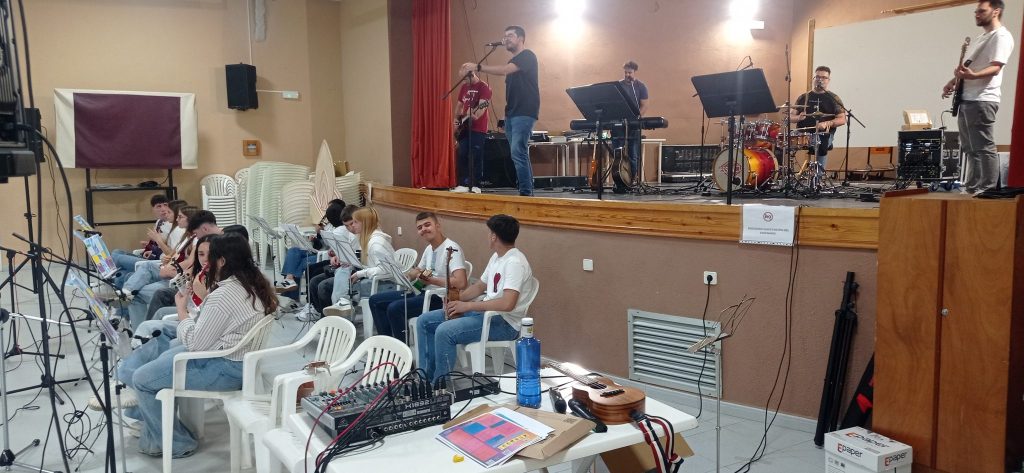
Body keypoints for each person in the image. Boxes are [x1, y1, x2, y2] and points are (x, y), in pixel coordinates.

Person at [126, 234, 277, 458]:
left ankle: (175, 442)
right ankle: (153, 428)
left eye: (211, 257)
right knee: (164, 355)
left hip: (224, 368)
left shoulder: (224, 294)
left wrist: (182, 310)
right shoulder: (255, 283)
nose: (206, 263)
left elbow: (196, 344)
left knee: (141, 379)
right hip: (235, 361)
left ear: (222, 261)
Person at [416, 214, 537, 382]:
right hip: (485, 314)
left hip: (505, 323)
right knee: (424, 321)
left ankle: (439, 386)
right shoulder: (497, 257)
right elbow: (480, 286)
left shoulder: (514, 262)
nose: (488, 236)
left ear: (494, 236)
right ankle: (425, 378)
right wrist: (458, 300)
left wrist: (468, 306)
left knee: (445, 331)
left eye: (489, 233)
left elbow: (507, 304)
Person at [942, 0, 1014, 194]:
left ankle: (987, 188)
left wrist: (972, 76)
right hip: (968, 98)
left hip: (982, 99)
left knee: (983, 146)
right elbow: (970, 67)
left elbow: (996, 67)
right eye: (976, 11)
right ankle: (973, 187)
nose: (977, 14)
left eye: (982, 11)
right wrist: (954, 81)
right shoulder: (982, 37)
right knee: (969, 148)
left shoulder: (1001, 36)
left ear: (996, 11)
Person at [461, 25, 539, 196]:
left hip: (525, 112)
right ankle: (525, 191)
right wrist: (505, 116)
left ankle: (526, 194)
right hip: (512, 114)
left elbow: (505, 70)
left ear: (521, 38)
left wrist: (478, 67)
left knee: (518, 152)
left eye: (510, 35)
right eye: (505, 36)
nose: (506, 39)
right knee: (517, 154)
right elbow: (513, 92)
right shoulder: (514, 62)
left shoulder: (527, 56)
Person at [368, 212, 468, 343]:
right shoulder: (429, 249)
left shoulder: (451, 248)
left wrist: (431, 280)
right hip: (421, 291)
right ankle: (387, 344)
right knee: (375, 301)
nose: (423, 229)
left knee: (395, 308)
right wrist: (407, 275)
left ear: (438, 226)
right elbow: (420, 269)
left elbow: (461, 282)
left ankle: (402, 350)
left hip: (439, 298)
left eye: (427, 225)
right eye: (420, 227)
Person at [322, 207, 397, 318]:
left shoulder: (376, 243)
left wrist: (359, 273)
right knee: (344, 269)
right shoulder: (365, 238)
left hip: (387, 284)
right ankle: (342, 305)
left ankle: (343, 306)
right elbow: (368, 263)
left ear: (365, 223)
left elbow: (386, 270)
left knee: (344, 280)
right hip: (375, 280)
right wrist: (351, 262)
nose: (352, 226)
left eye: (355, 222)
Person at [791, 66, 847, 182]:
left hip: (823, 135)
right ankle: (784, 176)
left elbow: (842, 119)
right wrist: (798, 118)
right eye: (817, 77)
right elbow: (790, 117)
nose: (820, 80)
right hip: (802, 135)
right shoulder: (804, 97)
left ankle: (817, 179)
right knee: (782, 141)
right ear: (814, 78)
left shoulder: (833, 98)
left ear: (828, 80)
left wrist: (828, 123)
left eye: (823, 77)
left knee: (820, 140)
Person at [611, 60, 649, 189]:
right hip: (619, 124)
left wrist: (637, 117)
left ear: (635, 72)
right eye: (626, 72)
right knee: (618, 153)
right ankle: (619, 180)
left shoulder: (640, 86)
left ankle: (631, 180)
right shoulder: (618, 85)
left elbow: (644, 105)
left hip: (633, 125)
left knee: (633, 154)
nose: (627, 75)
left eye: (630, 72)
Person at [453, 71, 492, 194]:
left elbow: (481, 108)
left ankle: (476, 185)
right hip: (465, 128)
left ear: (472, 75)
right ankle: (463, 184)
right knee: (462, 154)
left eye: (465, 78)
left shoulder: (484, 87)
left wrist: (475, 114)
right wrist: (456, 119)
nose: (464, 81)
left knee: (475, 156)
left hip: (478, 128)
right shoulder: (464, 87)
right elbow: (459, 105)